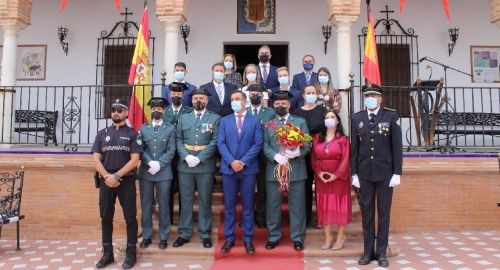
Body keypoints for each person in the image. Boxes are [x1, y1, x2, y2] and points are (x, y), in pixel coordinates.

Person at [351, 84, 403, 267]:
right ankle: (368, 252)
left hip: (385, 174)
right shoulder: (357, 118)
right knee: (367, 214)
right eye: (367, 96)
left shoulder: (391, 116)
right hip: (364, 174)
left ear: (380, 98)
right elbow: (354, 149)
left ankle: (381, 253)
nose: (370, 98)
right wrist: (354, 173)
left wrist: (397, 172)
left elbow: (397, 146)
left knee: (383, 214)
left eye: (373, 95)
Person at [91, 99, 143, 269]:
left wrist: (117, 176)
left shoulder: (133, 134)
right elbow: (96, 158)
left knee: (130, 218)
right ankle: (107, 254)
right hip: (106, 182)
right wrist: (107, 176)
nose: (116, 113)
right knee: (106, 217)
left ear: (126, 113)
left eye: (120, 110)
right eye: (113, 110)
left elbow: (135, 160)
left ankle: (131, 254)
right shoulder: (102, 133)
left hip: (126, 181)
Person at [173, 88, 221, 249]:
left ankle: (205, 233)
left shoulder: (215, 118)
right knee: (185, 201)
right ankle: (184, 233)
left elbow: (215, 141)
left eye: (201, 98)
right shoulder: (184, 118)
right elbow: (178, 140)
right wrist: (186, 156)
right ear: (191, 101)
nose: (198, 101)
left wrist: (200, 158)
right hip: (185, 165)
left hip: (205, 166)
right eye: (195, 98)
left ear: (206, 100)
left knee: (205, 200)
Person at [263, 91, 310, 251]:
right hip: (274, 170)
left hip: (295, 169)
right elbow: (265, 146)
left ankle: (297, 237)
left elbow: (307, 144)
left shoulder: (299, 121)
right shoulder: (269, 124)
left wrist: (298, 152)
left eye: (283, 104)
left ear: (289, 105)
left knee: (297, 205)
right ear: (273, 106)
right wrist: (275, 156)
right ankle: (273, 237)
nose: (280, 106)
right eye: (277, 104)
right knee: (273, 205)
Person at [217, 90, 263, 254]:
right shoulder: (224, 121)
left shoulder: (255, 121)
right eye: (232, 99)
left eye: (237, 99)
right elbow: (221, 144)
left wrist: (243, 162)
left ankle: (248, 239)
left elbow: (258, 144)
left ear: (245, 102)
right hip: (229, 169)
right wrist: (232, 162)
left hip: (248, 169)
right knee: (229, 205)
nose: (234, 102)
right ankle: (229, 238)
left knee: (248, 205)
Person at [137, 97, 176, 250]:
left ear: (163, 110)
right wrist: (149, 162)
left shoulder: (170, 128)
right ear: (150, 110)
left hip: (164, 172)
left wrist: (159, 164)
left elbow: (171, 150)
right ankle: (146, 235)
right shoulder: (143, 128)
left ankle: (163, 236)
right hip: (146, 172)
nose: (156, 111)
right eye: (153, 109)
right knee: (146, 205)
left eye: (159, 109)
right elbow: (140, 148)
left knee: (164, 205)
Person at [311, 110, 351, 250]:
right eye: (326, 117)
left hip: (339, 178)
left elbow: (346, 158)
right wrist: (319, 172)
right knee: (324, 206)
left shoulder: (343, 139)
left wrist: (337, 174)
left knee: (340, 206)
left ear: (338, 121)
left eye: (332, 117)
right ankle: (328, 237)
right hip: (322, 177)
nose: (329, 119)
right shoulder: (317, 138)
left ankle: (341, 236)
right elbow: (313, 157)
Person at [293, 85, 327, 227]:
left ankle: (321, 218)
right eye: (309, 93)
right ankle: (305, 218)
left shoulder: (322, 110)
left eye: (313, 92)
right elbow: (293, 132)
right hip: (302, 153)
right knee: (305, 185)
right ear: (303, 95)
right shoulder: (296, 112)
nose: (311, 95)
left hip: (319, 152)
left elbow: (326, 130)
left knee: (321, 185)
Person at [162, 82, 193, 225]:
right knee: (167, 188)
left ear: (183, 95)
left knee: (183, 188)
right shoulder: (164, 111)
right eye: (173, 94)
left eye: (178, 94)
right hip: (167, 156)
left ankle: (183, 219)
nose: (176, 96)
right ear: (169, 95)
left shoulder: (188, 111)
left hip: (183, 155)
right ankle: (167, 219)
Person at [246, 84, 275, 228]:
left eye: (258, 93)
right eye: (252, 93)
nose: (255, 95)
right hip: (247, 154)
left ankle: (261, 216)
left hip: (264, 155)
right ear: (248, 95)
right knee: (247, 187)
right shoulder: (243, 111)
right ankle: (248, 217)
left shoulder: (270, 113)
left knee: (263, 187)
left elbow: (272, 133)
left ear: (263, 95)